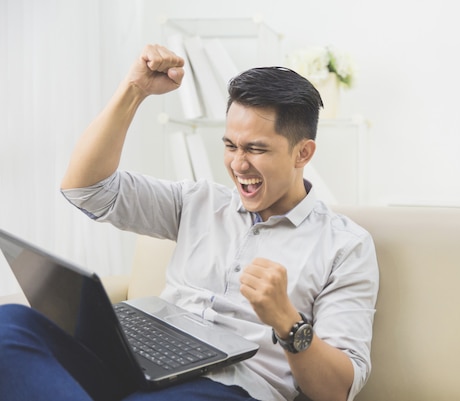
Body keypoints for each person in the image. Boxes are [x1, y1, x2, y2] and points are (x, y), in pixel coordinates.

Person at [0, 44, 378, 401]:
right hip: (145, 364)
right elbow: (86, 189)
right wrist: (134, 90)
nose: (238, 164)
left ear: (303, 153)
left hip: (232, 388)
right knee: (11, 324)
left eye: (256, 149)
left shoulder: (344, 246)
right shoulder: (199, 201)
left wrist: (287, 322)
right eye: (231, 146)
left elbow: (337, 390)